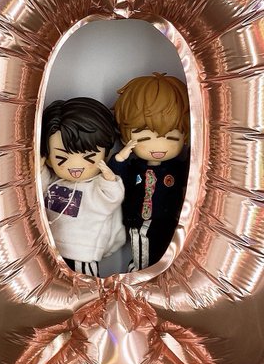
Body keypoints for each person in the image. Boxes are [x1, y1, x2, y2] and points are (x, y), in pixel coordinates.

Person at [110, 73, 189, 271]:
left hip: (170, 221)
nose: (158, 146)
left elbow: (192, 176)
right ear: (126, 137)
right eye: (145, 139)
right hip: (138, 220)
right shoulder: (134, 168)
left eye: (172, 138)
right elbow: (116, 177)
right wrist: (121, 158)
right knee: (142, 256)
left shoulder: (177, 168)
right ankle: (138, 275)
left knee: (167, 256)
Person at [39, 97, 125, 278]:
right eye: (61, 158)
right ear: (49, 158)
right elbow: (44, 189)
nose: (75, 166)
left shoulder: (96, 187)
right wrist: (40, 169)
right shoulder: (57, 183)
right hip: (51, 250)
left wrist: (109, 180)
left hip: (83, 253)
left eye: (89, 157)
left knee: (85, 285)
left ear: (106, 154)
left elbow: (112, 198)